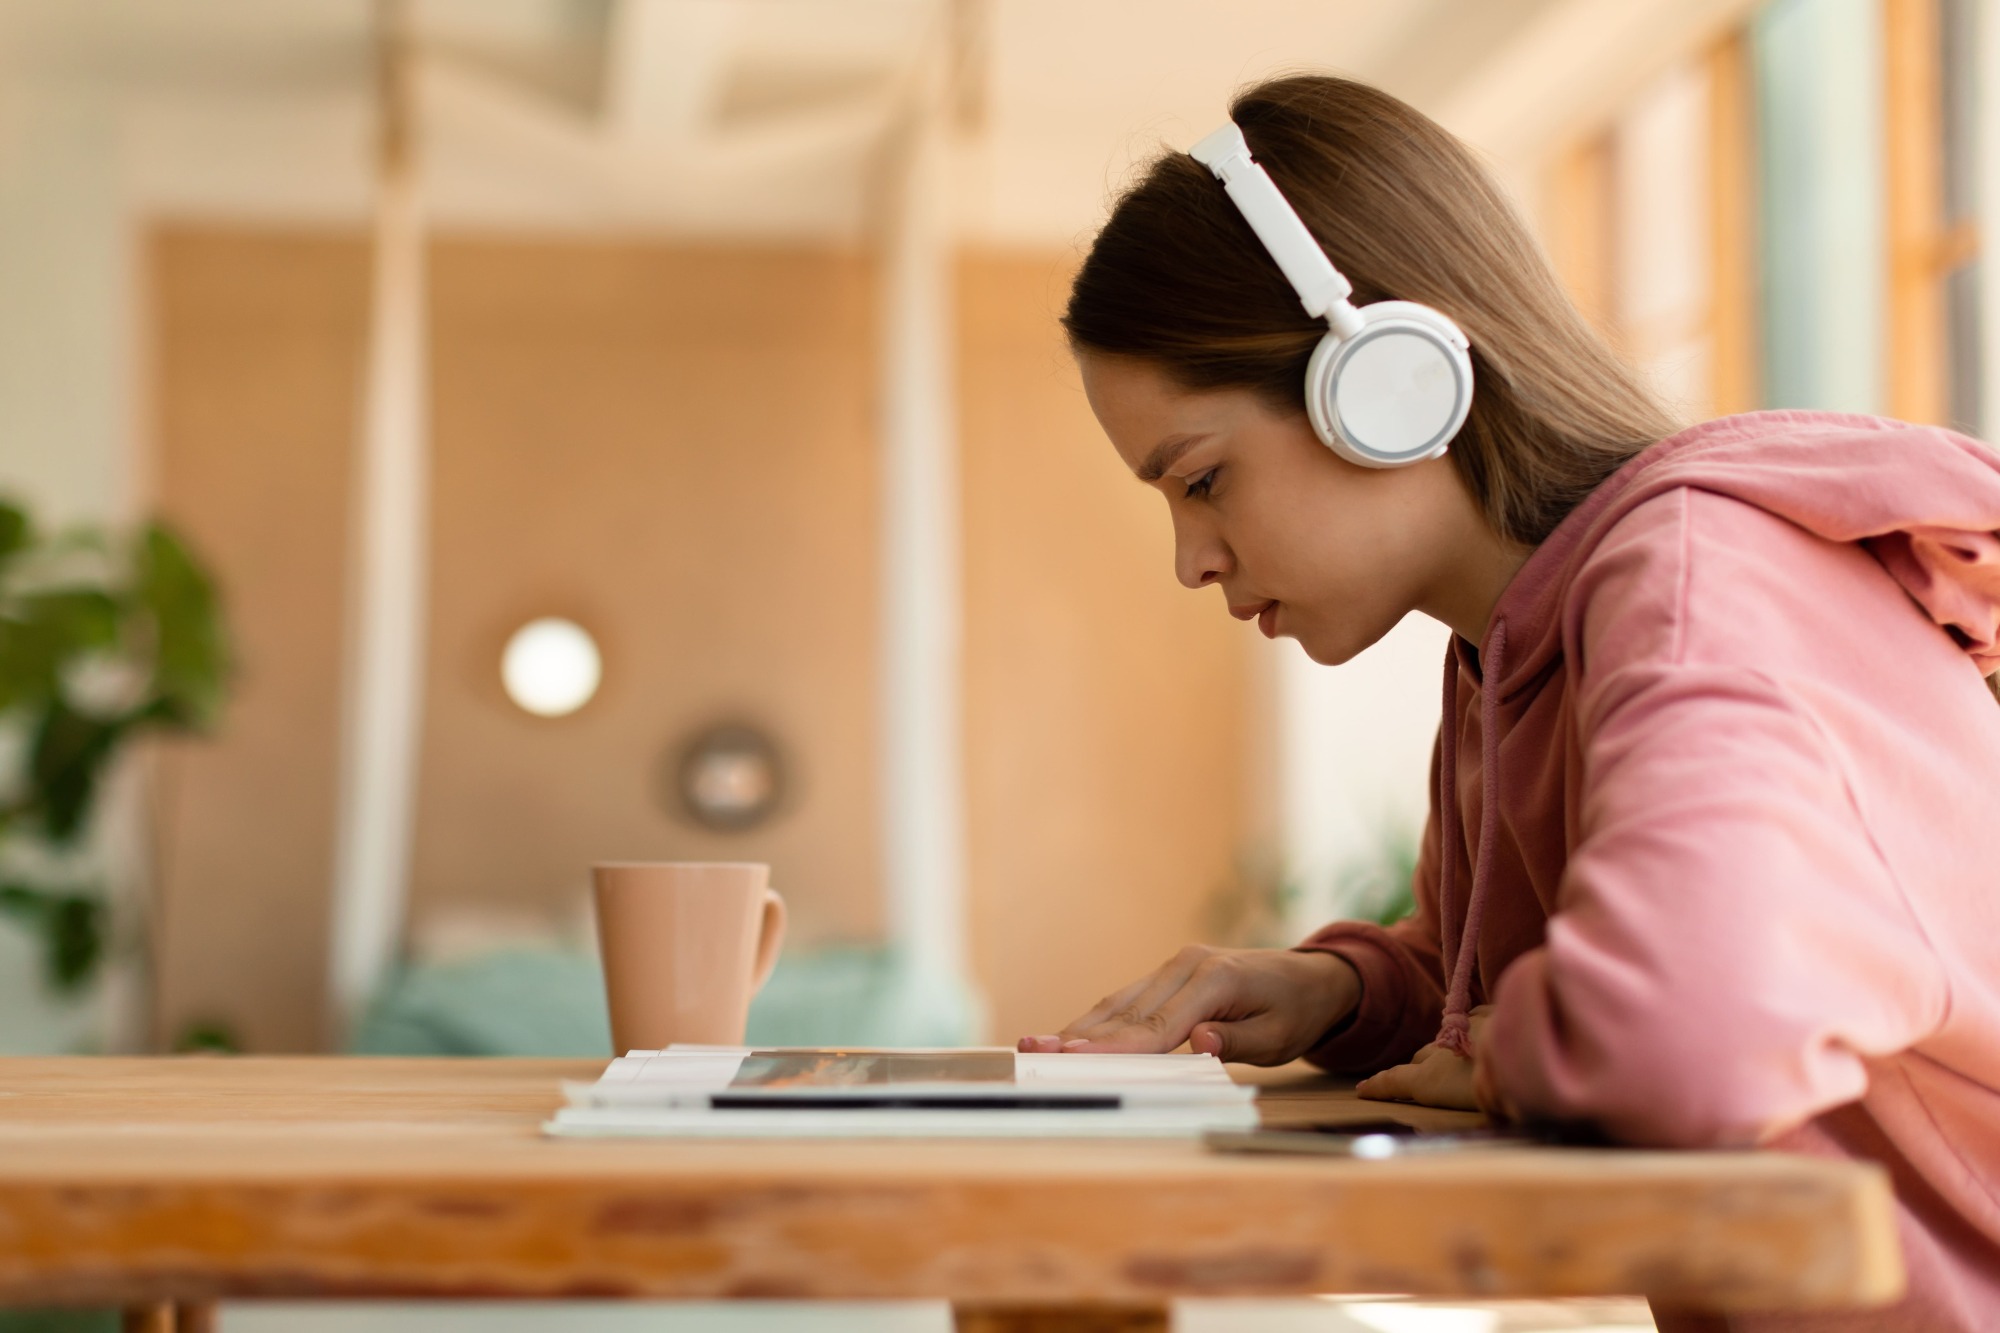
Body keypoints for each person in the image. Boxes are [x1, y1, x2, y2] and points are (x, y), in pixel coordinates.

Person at [1019, 74, 2000, 1332]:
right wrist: (1338, 990)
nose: (1189, 560)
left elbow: (1675, 1035)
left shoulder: (1698, 590)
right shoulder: (1511, 648)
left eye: (1203, 479)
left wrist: (1488, 1051)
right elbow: (1520, 960)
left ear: (1383, 383)